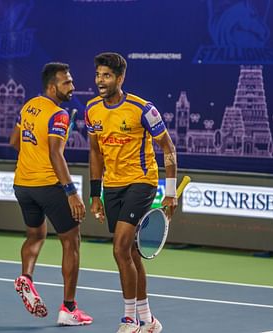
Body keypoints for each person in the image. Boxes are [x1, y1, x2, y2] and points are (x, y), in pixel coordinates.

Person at [85, 52, 178, 333]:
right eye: (98, 75)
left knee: (120, 248)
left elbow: (168, 148)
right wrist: (95, 194)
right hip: (112, 186)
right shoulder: (92, 110)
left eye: (107, 76)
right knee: (132, 253)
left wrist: (170, 192)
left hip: (141, 181)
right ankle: (149, 320)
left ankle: (129, 320)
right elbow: (94, 151)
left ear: (120, 78)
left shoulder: (142, 109)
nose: (101, 81)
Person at [9, 62, 93, 326]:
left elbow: (14, 142)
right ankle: (69, 309)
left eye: (71, 81)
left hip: (22, 185)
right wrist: (71, 192)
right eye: (66, 82)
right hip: (48, 185)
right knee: (72, 241)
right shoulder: (59, 114)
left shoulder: (28, 107)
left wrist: (31, 162)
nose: (72, 86)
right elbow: (55, 153)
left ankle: (26, 278)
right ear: (51, 85)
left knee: (36, 234)